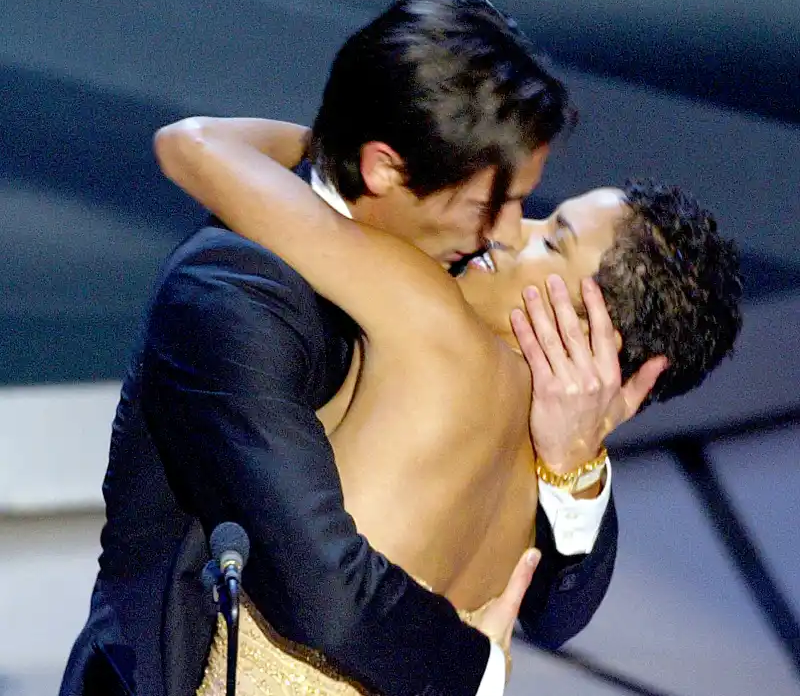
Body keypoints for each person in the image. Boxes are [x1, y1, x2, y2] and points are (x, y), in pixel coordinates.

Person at [60, 0, 636, 696]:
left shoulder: (454, 266)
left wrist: (574, 464)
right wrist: (480, 672)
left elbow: (554, 610)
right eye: (494, 203)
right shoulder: (231, 292)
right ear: (388, 171)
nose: (510, 232)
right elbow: (320, 581)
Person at [153, 112, 742, 695]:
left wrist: (342, 147)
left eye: (551, 239)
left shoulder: (426, 314)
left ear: (594, 336)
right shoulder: (545, 489)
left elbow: (195, 146)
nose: (510, 229)